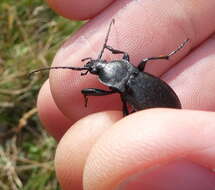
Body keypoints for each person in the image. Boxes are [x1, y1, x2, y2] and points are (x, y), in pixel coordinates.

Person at [37, 0, 215, 189]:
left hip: (163, 104)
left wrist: (87, 94)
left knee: (125, 119)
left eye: (98, 66)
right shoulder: (125, 68)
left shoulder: (119, 79)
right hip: (164, 98)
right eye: (97, 68)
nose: (96, 65)